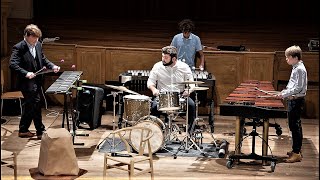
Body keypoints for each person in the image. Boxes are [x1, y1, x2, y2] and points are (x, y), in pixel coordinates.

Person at [9, 24, 60, 139]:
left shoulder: (37, 45)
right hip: (26, 83)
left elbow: (43, 59)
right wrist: (26, 73)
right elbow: (12, 64)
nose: (36, 40)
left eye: (38, 38)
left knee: (30, 105)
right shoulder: (19, 47)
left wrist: (53, 66)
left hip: (37, 80)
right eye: (34, 38)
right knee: (36, 104)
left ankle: (23, 129)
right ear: (27, 35)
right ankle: (40, 130)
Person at [147, 46, 196, 134]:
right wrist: (154, 89)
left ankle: (190, 134)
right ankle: (155, 133)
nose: (163, 59)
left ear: (173, 59)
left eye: (166, 58)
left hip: (180, 96)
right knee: (153, 107)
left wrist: (188, 91)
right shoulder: (157, 66)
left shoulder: (184, 67)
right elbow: (150, 81)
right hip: (162, 96)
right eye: (162, 56)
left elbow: (191, 84)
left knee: (192, 106)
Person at [275, 45, 307, 163]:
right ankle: (296, 150)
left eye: (287, 57)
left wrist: (284, 95)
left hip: (296, 101)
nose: (286, 59)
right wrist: (284, 92)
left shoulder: (299, 69)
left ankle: (297, 153)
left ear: (295, 57)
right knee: (294, 126)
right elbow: (292, 85)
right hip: (293, 99)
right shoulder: (296, 67)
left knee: (295, 127)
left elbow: (298, 88)